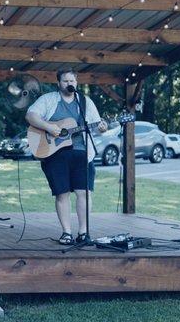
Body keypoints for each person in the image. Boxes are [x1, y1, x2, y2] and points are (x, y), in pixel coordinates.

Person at [26, 68, 107, 245]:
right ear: (59, 83)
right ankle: (67, 232)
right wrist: (49, 127)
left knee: (84, 193)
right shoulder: (48, 99)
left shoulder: (85, 102)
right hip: (55, 153)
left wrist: (102, 127)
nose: (69, 84)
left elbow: (97, 125)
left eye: (72, 81)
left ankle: (83, 232)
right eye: (65, 81)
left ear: (76, 83)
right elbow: (31, 115)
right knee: (62, 194)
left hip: (82, 154)